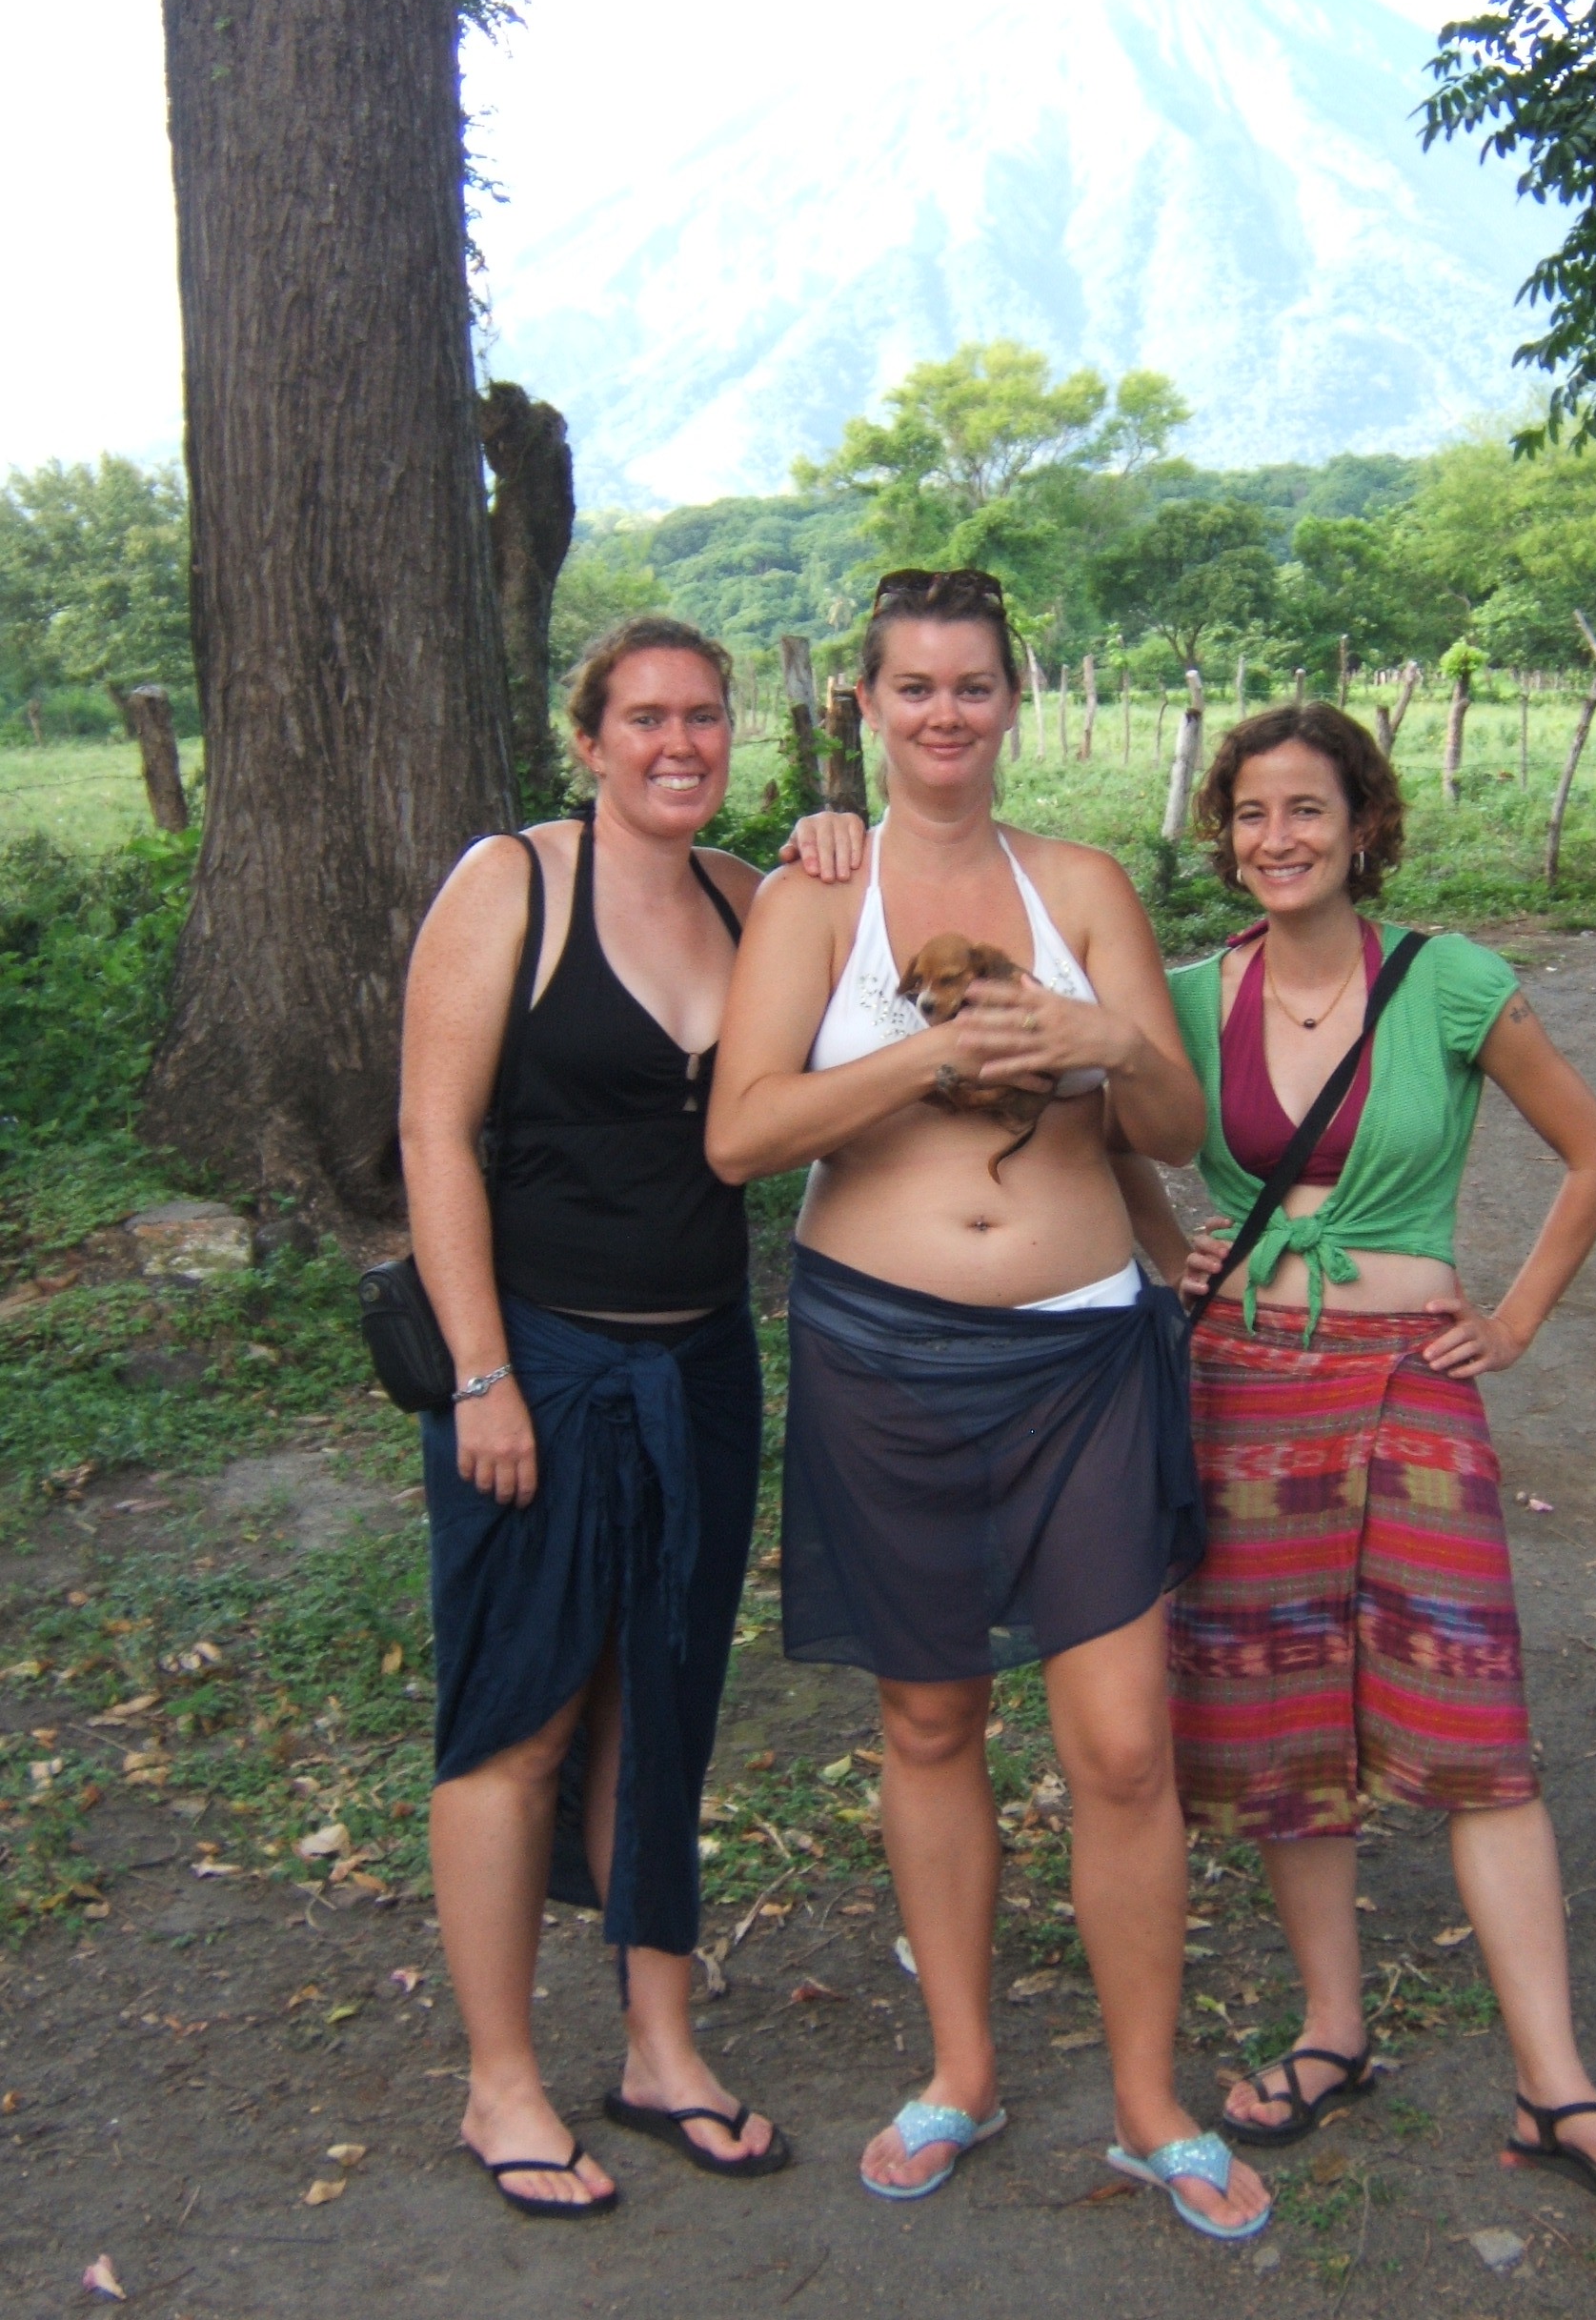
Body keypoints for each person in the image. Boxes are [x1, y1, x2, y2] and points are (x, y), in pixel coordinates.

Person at [705, 567, 1272, 2243]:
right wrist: (926, 1062)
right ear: (864, 709)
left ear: (1013, 703)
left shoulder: (1081, 881)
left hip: (1086, 1355)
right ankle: (961, 2068)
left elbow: (1172, 1125)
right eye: (914, 688)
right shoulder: (817, 898)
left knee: (1118, 1743)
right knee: (929, 1722)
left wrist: (1093, 1028)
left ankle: (1150, 2104)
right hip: (885, 1355)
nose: (945, 714)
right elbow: (742, 1137)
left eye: (974, 686)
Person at [1120, 701, 1596, 2216]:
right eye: (1249, 814)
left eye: (1306, 810)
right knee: (1279, 1726)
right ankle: (1334, 2032)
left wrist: (1510, 1318)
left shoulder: (1447, 985)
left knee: (1477, 1724)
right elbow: (1112, 1121)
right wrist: (1160, 1241)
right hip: (1243, 1387)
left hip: (1410, 1381)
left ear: (1364, 824)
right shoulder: (1187, 998)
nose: (1275, 840)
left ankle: (1554, 2083)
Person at [399, 615, 864, 2215]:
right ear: (586, 738)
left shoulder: (753, 898)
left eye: (709, 719)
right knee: (521, 1713)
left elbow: (864, 1027)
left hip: (702, 1367)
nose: (682, 743)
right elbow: (435, 1135)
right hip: (537, 1364)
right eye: (647, 718)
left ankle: (660, 2046)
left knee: (664, 1703)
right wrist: (480, 1374)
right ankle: (501, 2082)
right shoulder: (509, 888)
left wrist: (835, 851)